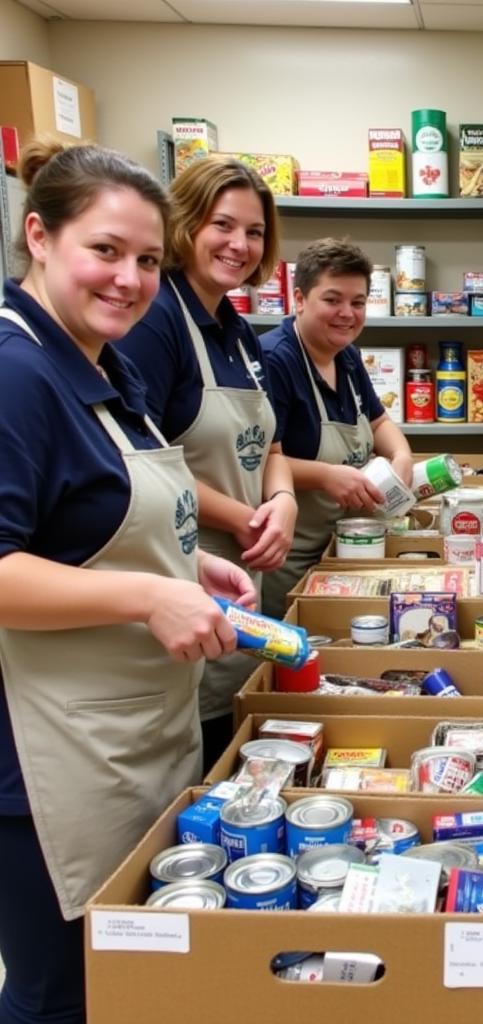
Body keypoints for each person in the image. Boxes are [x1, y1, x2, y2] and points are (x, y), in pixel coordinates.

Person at [0, 139, 255, 1024]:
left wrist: (189, 560)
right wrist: (150, 594)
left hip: (134, 734)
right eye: (105, 250)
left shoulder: (109, 362)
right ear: (39, 235)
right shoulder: (15, 373)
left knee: (129, 977)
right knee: (58, 991)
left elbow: (95, 521)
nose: (130, 279)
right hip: (50, 764)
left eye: (148, 259)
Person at [120, 157, 296, 769]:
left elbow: (271, 443)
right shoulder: (153, 322)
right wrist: (248, 519)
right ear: (185, 224)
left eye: (254, 232)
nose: (239, 244)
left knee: (228, 734)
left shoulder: (238, 330)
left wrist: (283, 500)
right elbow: (142, 465)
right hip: (184, 579)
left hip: (243, 566)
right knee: (198, 748)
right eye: (223, 225)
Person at [260, 238, 412, 619]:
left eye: (358, 303)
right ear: (299, 298)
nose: (347, 313)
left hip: (346, 544)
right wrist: (326, 475)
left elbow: (379, 421)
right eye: (332, 300)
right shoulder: (276, 361)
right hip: (291, 556)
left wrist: (402, 455)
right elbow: (259, 461)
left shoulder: (347, 355)